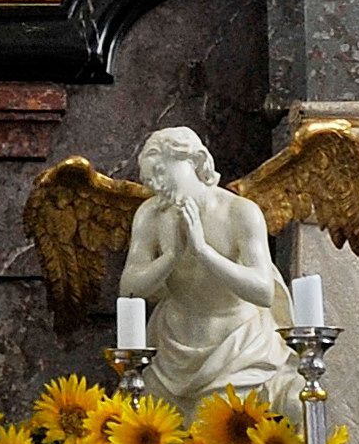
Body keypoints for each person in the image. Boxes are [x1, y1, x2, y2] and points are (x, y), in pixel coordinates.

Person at [116, 125, 296, 409]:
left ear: (196, 162)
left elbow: (263, 292)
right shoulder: (150, 215)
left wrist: (203, 252)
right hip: (172, 350)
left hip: (240, 347)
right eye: (150, 181)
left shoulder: (240, 212)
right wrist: (171, 257)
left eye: (162, 174)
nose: (156, 187)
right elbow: (128, 290)